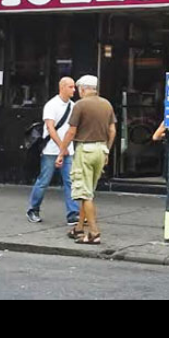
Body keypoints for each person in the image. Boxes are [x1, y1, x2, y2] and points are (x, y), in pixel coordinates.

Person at [56, 75, 117, 246]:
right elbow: (112, 130)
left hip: (85, 149)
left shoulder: (80, 105)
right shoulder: (107, 104)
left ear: (83, 89)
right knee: (88, 191)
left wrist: (62, 152)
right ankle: (79, 228)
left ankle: (94, 233)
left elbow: (71, 132)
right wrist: (107, 151)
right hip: (101, 149)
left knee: (84, 193)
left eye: (79, 89)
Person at [26, 77, 79, 226]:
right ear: (62, 87)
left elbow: (72, 129)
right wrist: (63, 147)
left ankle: (73, 214)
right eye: (70, 87)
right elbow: (50, 128)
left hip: (67, 150)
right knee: (44, 181)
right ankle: (33, 209)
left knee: (70, 182)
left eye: (74, 87)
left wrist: (64, 148)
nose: (73, 90)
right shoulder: (51, 105)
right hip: (51, 150)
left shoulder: (73, 106)